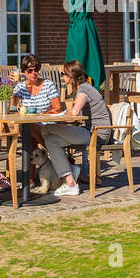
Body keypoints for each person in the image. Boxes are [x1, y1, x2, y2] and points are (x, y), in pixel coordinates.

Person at [41, 60, 114, 197]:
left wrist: (63, 115)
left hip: (95, 135)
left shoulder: (84, 89)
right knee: (51, 140)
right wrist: (64, 114)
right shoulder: (85, 88)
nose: (62, 76)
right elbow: (75, 114)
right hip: (89, 132)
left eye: (63, 74)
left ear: (70, 75)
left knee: (46, 129)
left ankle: (71, 170)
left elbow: (74, 114)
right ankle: (70, 181)